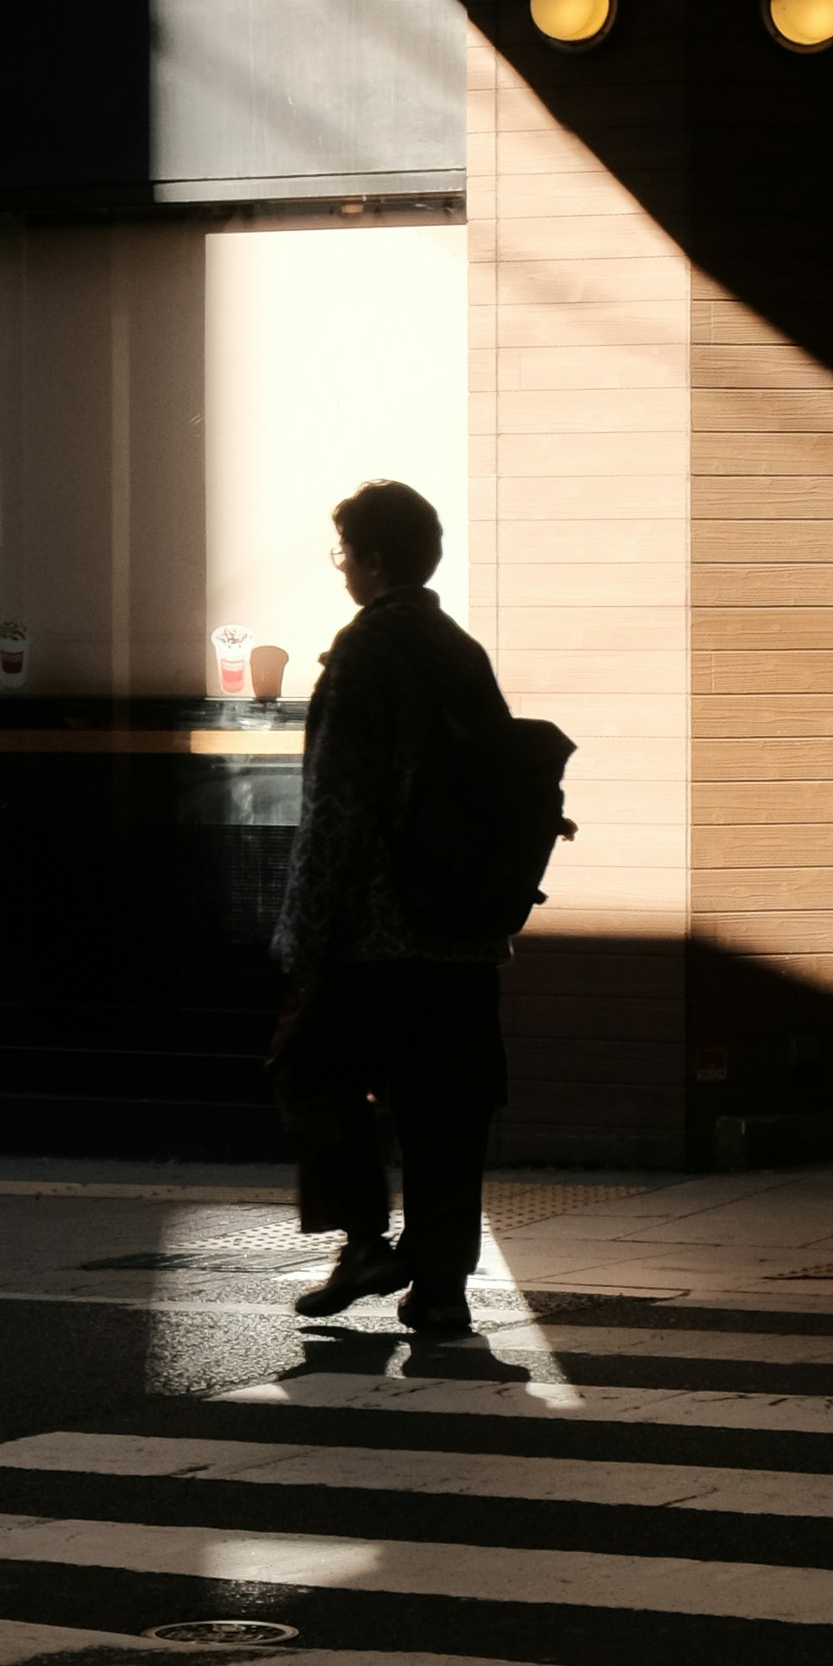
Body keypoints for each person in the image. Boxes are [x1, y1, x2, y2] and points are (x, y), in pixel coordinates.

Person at [269, 477, 514, 1340]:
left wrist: (301, 928)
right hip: (465, 933)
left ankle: (366, 1242)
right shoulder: (461, 651)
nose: (342, 567)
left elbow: (336, 804)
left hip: (378, 935)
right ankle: (440, 1287)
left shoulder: (365, 652)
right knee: (446, 1111)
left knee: (308, 1067)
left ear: (371, 561)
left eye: (344, 552)